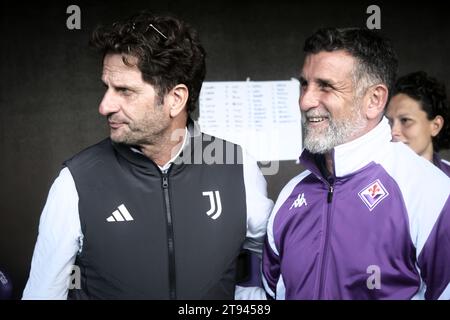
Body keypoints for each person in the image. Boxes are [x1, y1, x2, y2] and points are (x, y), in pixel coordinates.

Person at [22, 11, 273, 299]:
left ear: (175, 99)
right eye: (107, 88)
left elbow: (277, 261)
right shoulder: (75, 182)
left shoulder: (236, 167)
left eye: (124, 90)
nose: (105, 106)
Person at [262, 28, 450, 299]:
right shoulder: (290, 196)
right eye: (305, 85)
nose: (305, 101)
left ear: (374, 100)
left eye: (325, 86)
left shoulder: (433, 194)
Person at [386, 71, 450, 177]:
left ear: (435, 126)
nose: (393, 132)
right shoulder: (375, 177)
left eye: (405, 120)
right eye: (390, 122)